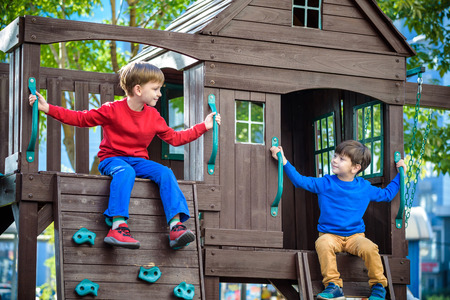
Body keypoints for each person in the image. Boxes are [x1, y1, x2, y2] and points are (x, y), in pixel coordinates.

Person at [29, 61, 221, 250]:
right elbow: (81, 118)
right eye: (155, 89)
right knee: (125, 172)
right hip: (111, 159)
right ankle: (118, 226)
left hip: (138, 161)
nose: (159, 93)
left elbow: (176, 138)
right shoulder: (111, 109)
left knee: (165, 172)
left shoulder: (153, 116)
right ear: (138, 90)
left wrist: (204, 126)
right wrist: (48, 108)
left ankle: (175, 227)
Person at [270, 140, 406, 300]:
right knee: (323, 244)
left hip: (355, 237)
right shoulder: (325, 183)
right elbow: (300, 181)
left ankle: (378, 286)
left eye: (341, 159)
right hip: (329, 235)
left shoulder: (364, 187)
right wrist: (283, 161)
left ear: (355, 167)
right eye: (335, 156)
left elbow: (388, 194)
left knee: (370, 248)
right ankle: (333, 286)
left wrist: (401, 173)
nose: (334, 160)